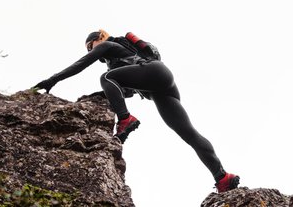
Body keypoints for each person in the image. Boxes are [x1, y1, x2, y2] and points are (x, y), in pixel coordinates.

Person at [33, 29, 240, 193]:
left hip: (154, 73)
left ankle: (125, 119)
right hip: (162, 87)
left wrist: (53, 79)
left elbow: (81, 64)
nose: (90, 51)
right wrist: (96, 96)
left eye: (91, 45)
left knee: (107, 78)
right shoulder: (121, 59)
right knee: (188, 133)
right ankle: (222, 177)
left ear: (100, 38)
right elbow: (126, 92)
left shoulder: (108, 45)